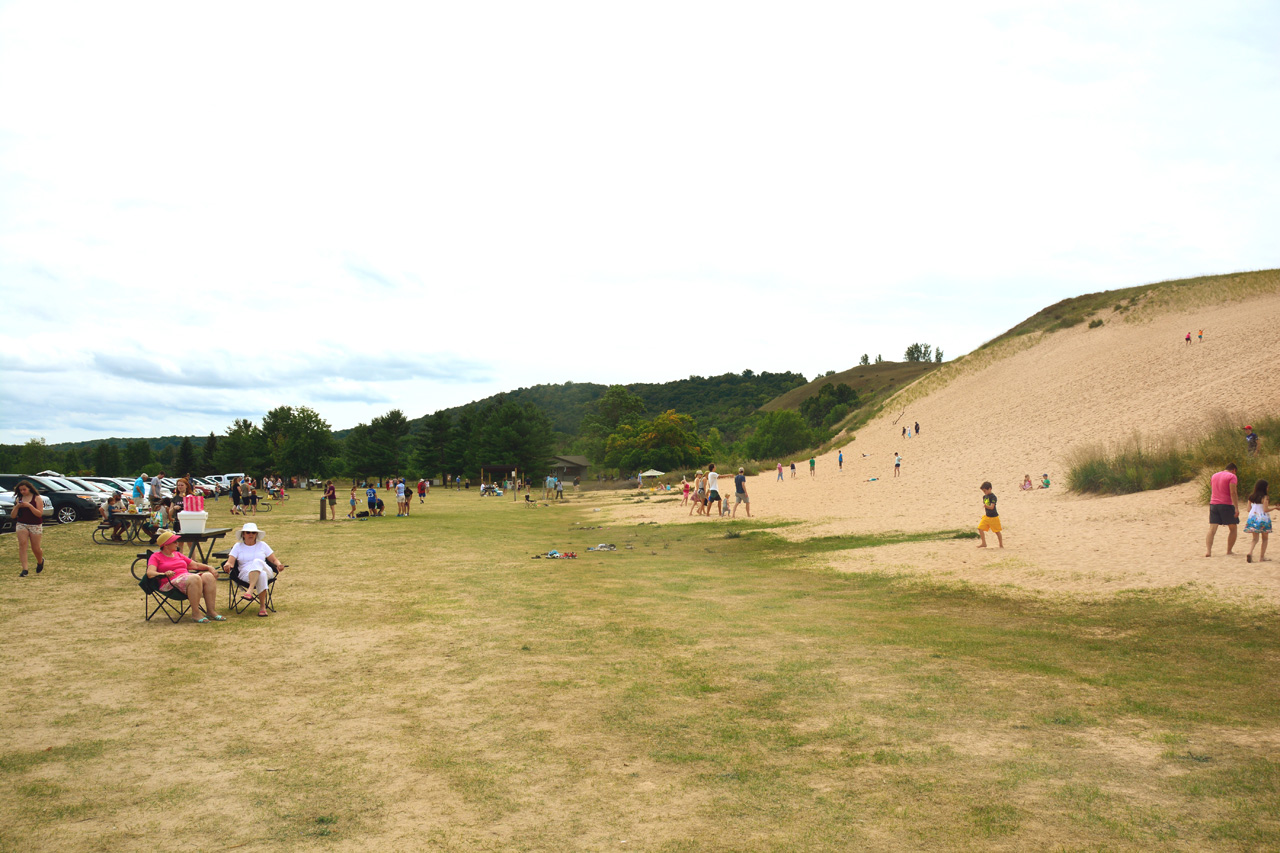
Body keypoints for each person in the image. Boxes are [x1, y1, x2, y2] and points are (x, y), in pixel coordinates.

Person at [147, 530, 224, 623]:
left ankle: (211, 611)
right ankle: (195, 613)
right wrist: (163, 574)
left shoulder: (178, 554)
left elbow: (195, 565)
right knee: (194, 578)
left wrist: (209, 567)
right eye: (174, 542)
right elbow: (150, 573)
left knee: (208, 576)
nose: (177, 543)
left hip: (186, 578)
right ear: (166, 545)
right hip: (170, 583)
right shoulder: (156, 556)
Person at [223, 522, 284, 618]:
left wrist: (279, 564)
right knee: (262, 575)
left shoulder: (262, 545)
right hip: (245, 574)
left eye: (253, 532)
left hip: (265, 569)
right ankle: (262, 607)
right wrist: (227, 565)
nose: (251, 534)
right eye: (248, 532)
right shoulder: (237, 546)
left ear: (256, 534)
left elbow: (273, 559)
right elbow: (230, 562)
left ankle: (249, 590)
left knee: (257, 562)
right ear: (243, 534)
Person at [10, 480, 45, 577]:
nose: (22, 492)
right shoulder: (19, 499)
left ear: (29, 488)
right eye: (20, 490)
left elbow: (39, 514)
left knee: (35, 548)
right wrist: (17, 507)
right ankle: (25, 569)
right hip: (22, 523)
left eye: (24, 489)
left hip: (35, 524)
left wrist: (29, 506)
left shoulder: (37, 498)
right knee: (22, 544)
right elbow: (13, 516)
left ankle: (40, 561)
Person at [1205, 463, 1240, 557]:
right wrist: (1236, 507)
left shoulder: (1214, 475)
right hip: (1226, 504)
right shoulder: (1232, 476)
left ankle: (1208, 551)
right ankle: (1229, 550)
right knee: (1233, 528)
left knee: (1212, 529)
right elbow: (1233, 492)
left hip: (1213, 504)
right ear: (1234, 470)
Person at [1244, 480, 1273, 564]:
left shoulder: (1251, 497)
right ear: (1264, 488)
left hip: (1253, 519)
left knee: (1255, 539)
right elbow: (1265, 509)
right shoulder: (1265, 497)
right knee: (1265, 539)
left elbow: (1248, 509)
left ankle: (1250, 552)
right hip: (1263, 519)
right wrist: (1274, 508)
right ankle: (1261, 557)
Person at [977, 481, 1003, 548]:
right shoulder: (984, 497)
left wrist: (986, 506)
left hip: (994, 517)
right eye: (983, 491)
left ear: (990, 489)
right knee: (980, 528)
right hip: (987, 517)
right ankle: (984, 543)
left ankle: (1001, 544)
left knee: (997, 532)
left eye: (985, 491)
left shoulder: (993, 497)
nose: (984, 492)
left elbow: (992, 507)